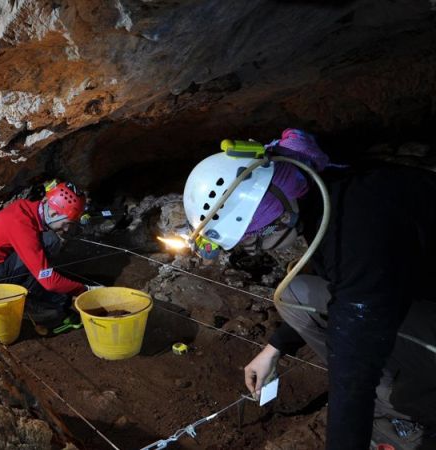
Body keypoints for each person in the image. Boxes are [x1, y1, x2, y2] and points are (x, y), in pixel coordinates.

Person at [182, 129, 436, 449]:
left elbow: (353, 368)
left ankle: (413, 412)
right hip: (417, 294)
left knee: (359, 357)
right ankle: (394, 406)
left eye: (251, 241)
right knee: (295, 294)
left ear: (276, 218)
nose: (254, 251)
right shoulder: (328, 193)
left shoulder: (356, 235)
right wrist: (273, 349)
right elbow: (336, 288)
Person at [0, 181, 97, 327]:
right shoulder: (21, 225)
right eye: (68, 223)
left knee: (47, 242)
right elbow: (49, 281)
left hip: (0, 267)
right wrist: (84, 289)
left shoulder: (28, 209)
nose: (67, 229)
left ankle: (33, 289)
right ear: (54, 213)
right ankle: (26, 303)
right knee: (50, 242)